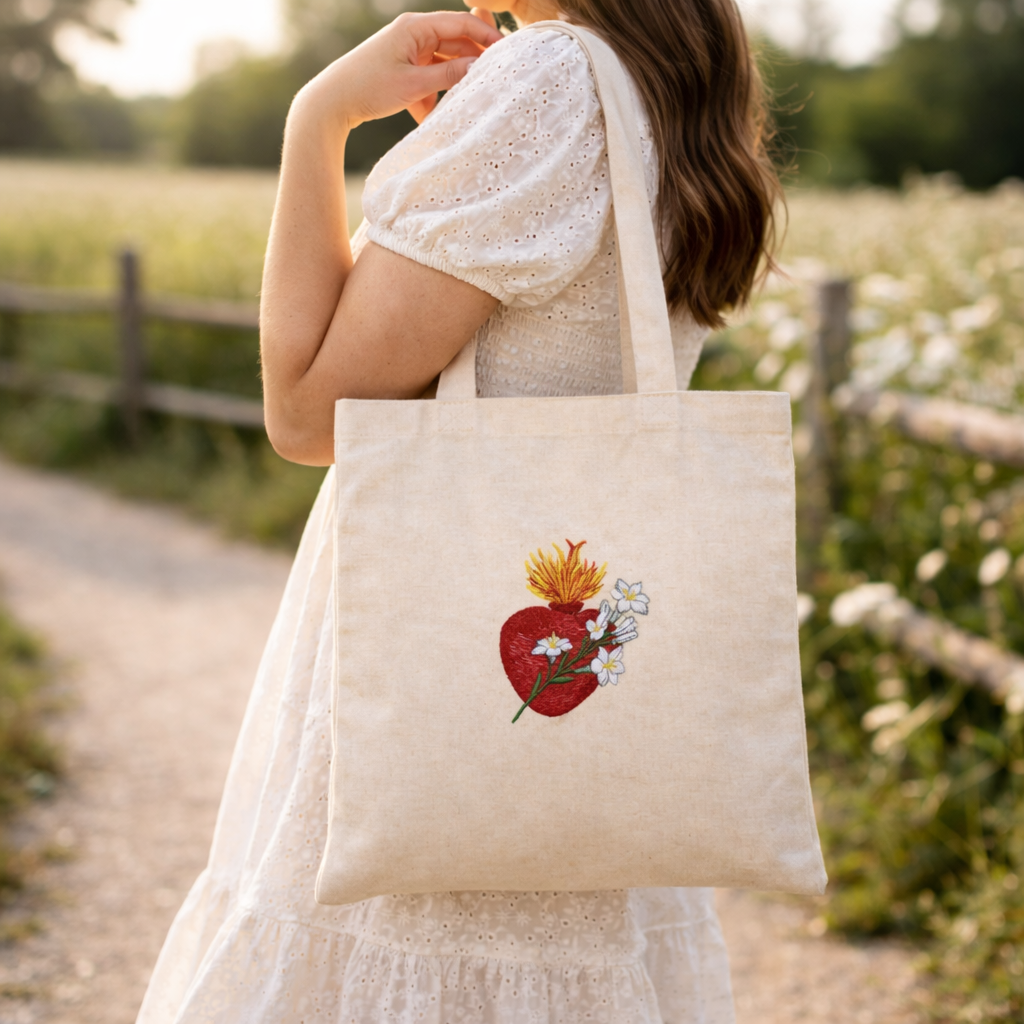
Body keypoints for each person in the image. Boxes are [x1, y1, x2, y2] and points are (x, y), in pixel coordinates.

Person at [137, 0, 780, 1020]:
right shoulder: (672, 84)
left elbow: (307, 411)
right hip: (589, 637)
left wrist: (319, 116)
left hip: (447, 636)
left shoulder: (550, 78)